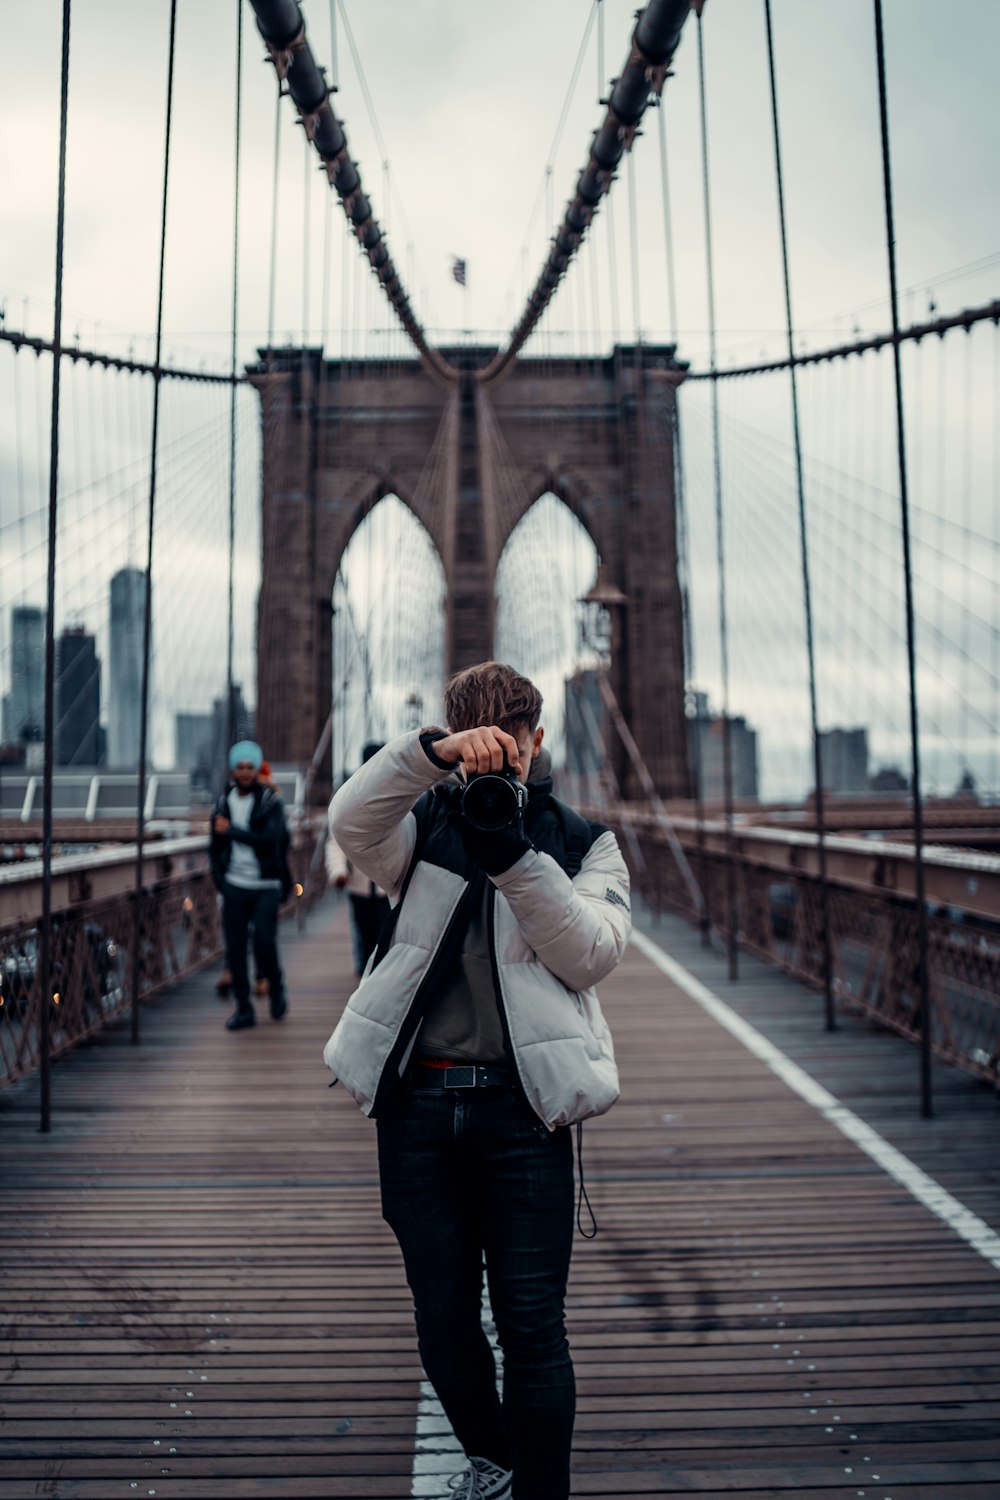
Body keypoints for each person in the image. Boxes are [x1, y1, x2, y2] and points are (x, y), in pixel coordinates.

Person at [324, 662, 631, 1500]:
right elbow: (349, 823)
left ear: (538, 740)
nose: (502, 760)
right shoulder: (421, 825)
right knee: (444, 1323)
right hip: (418, 1110)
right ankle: (498, 1458)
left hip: (523, 1116)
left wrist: (513, 854)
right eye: (481, 743)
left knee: (534, 1330)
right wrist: (431, 757)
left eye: (513, 740)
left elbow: (590, 953)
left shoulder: (581, 841)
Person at [209, 739, 292, 1031]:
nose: (244, 772)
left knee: (263, 942)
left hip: (266, 884)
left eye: (250, 767)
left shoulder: (271, 803)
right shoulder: (222, 804)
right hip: (234, 885)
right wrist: (221, 882)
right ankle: (243, 1008)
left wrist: (232, 831)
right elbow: (214, 848)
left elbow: (272, 840)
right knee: (235, 949)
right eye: (239, 767)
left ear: (257, 770)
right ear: (232, 771)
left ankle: (276, 986)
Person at [325, 741, 391, 975]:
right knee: (363, 928)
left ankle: (376, 972)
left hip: (387, 884)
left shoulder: (397, 793)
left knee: (385, 932)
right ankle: (365, 969)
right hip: (359, 883)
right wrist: (339, 872)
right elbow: (336, 841)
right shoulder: (350, 796)